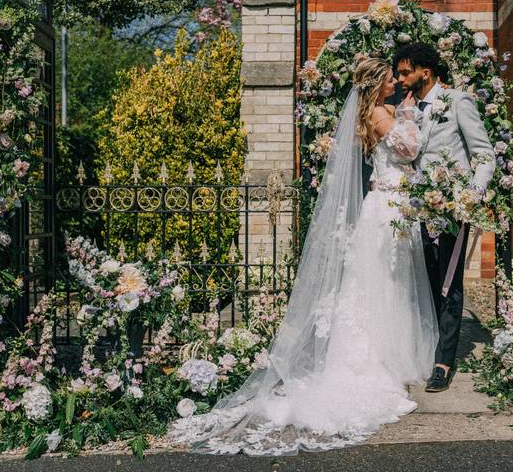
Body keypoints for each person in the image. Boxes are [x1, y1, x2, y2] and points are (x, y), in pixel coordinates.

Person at [169, 57, 437, 455]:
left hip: (384, 205)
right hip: (389, 208)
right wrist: (412, 115)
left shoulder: (374, 113)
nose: (394, 84)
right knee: (387, 284)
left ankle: (385, 360)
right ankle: (379, 366)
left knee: (378, 284)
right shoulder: (383, 114)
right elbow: (411, 149)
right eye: (388, 79)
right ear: (377, 83)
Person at [393, 42, 495, 393]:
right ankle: (424, 351)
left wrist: (471, 196)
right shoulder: (407, 108)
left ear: (426, 71)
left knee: (449, 286)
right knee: (426, 283)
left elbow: (484, 154)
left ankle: (443, 362)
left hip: (453, 208)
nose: (400, 78)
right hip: (417, 209)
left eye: (406, 72)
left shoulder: (457, 102)